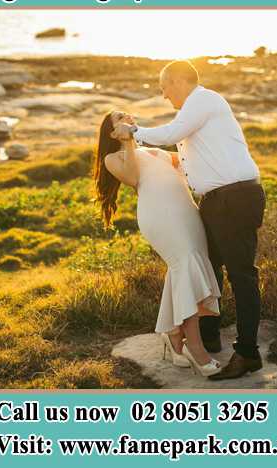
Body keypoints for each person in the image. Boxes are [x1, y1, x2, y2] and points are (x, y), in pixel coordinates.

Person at [112, 60, 266, 380]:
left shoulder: (205, 100)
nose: (164, 95)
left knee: (241, 275)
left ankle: (248, 353)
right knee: (209, 267)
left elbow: (172, 133)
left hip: (235, 197)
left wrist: (135, 131)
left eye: (164, 88)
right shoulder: (194, 110)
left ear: (177, 80)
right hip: (215, 201)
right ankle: (208, 335)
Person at [93, 110, 222, 377]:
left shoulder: (153, 149)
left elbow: (189, 166)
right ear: (111, 132)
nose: (127, 114)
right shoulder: (113, 158)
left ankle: (173, 334)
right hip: (160, 216)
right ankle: (196, 349)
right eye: (120, 116)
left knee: (183, 269)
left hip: (187, 213)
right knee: (185, 265)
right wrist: (128, 141)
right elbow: (132, 177)